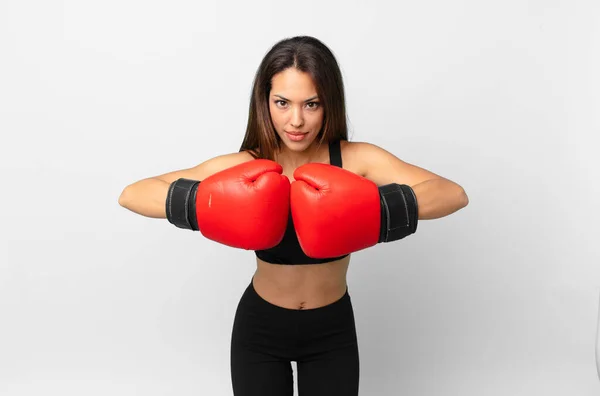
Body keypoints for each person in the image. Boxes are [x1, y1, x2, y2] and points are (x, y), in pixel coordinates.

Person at [118, 35, 469, 396]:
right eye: (282, 103)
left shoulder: (355, 160)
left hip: (332, 331)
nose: (296, 120)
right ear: (265, 102)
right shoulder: (247, 166)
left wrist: (378, 211)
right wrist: (202, 204)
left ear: (328, 103)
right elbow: (133, 194)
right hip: (260, 330)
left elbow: (452, 194)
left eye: (311, 104)